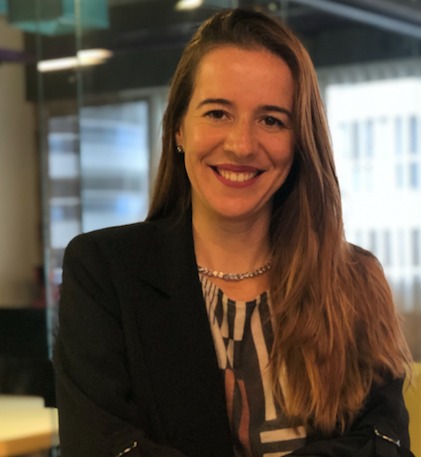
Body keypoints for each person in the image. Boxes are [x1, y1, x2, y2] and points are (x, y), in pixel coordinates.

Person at [53, 8, 415, 457]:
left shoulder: (354, 277)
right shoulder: (105, 271)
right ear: (178, 127)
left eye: (271, 120)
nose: (242, 145)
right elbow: (96, 443)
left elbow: (385, 442)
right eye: (218, 113)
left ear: (300, 140)